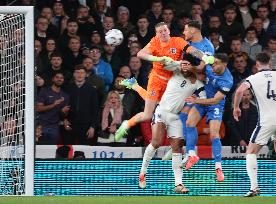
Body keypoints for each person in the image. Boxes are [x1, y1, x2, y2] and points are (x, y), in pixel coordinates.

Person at [115, 22, 215, 141]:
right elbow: (140, 54)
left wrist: (204, 57)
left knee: (173, 113)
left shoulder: (177, 41)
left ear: (168, 31)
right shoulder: (154, 42)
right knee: (147, 115)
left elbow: (192, 50)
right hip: (156, 80)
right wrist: (158, 59)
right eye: (159, 31)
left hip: (172, 82)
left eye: (164, 30)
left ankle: (135, 86)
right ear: (156, 34)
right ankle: (127, 124)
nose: (163, 33)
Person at [138, 59, 205, 193]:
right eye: (184, 64)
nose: (186, 66)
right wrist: (178, 63)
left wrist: (195, 101)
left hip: (176, 117)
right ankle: (142, 173)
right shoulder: (176, 71)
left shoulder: (198, 84)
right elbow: (164, 64)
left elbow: (203, 100)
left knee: (177, 148)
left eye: (188, 64)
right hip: (161, 110)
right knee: (156, 142)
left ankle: (178, 184)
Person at [184, 53, 233, 182]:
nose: (213, 65)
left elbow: (214, 100)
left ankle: (218, 167)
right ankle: (192, 155)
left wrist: (197, 101)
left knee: (214, 135)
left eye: (216, 63)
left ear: (225, 64)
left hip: (215, 104)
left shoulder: (227, 81)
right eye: (213, 62)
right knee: (189, 123)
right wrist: (191, 67)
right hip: (203, 98)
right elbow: (199, 69)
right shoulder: (209, 65)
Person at [233, 52, 276, 197]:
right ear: (270, 63)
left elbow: (239, 90)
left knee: (251, 152)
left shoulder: (252, 78)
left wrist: (236, 108)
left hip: (267, 120)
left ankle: (254, 188)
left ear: (257, 65)